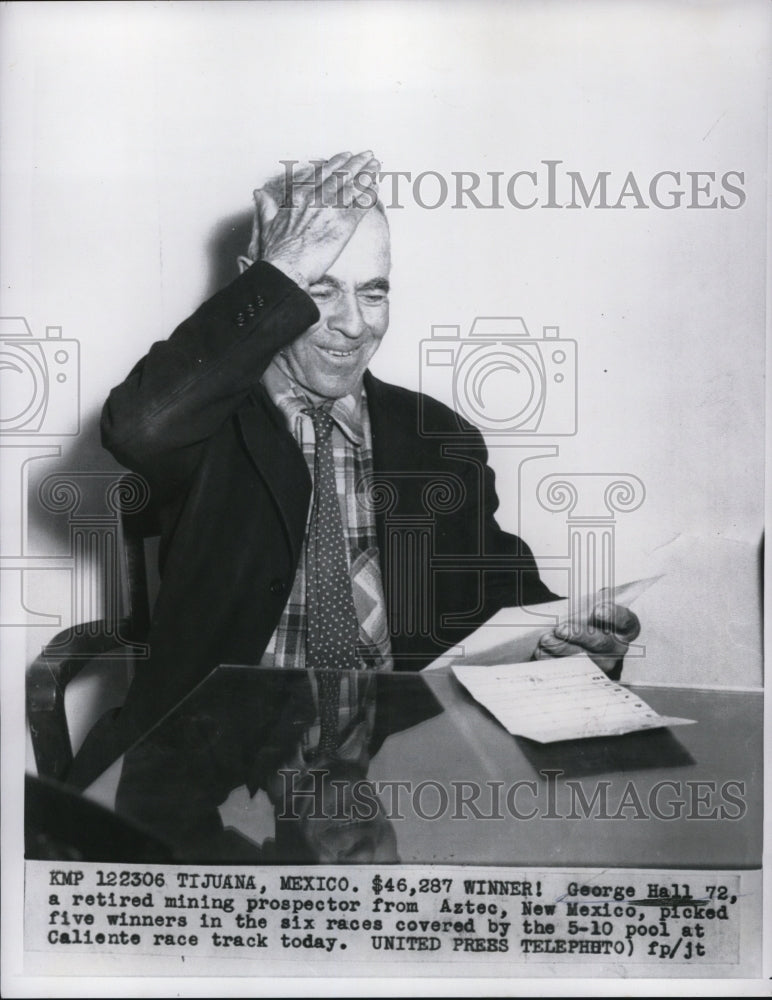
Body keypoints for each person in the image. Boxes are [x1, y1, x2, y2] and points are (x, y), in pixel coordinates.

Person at [70, 151, 640, 802]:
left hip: (397, 772)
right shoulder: (203, 422)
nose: (353, 324)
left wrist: (573, 651)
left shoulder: (438, 438)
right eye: (318, 290)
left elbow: (503, 604)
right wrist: (281, 271)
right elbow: (138, 427)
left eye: (373, 291)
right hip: (212, 779)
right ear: (262, 287)